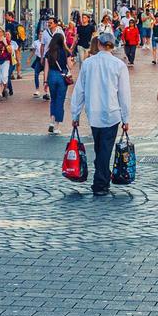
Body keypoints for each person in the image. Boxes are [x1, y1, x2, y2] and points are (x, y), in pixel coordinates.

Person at [68, 30, 132, 195]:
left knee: (100, 147)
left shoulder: (89, 64)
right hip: (112, 112)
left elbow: (79, 91)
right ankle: (101, 182)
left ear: (98, 44)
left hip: (93, 111)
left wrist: (75, 114)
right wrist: (126, 118)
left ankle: (101, 178)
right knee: (105, 148)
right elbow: (124, 94)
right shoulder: (119, 65)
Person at [45, 31, 71, 134]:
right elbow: (70, 66)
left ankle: (51, 121)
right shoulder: (66, 51)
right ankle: (56, 126)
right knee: (60, 101)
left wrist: (45, 81)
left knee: (53, 99)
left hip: (51, 75)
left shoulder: (49, 52)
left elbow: (46, 68)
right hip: (62, 76)